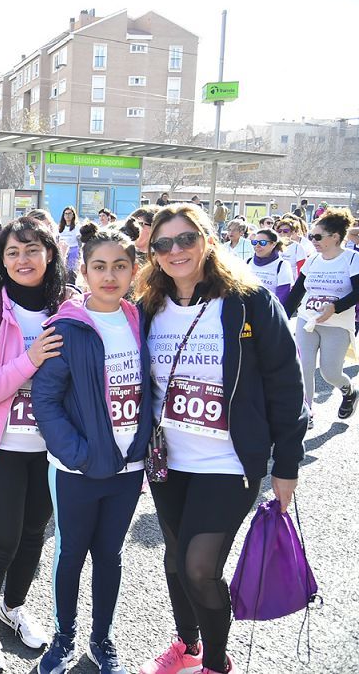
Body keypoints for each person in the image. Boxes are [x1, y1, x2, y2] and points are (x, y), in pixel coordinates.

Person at [136, 203, 305, 674]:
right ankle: (187, 646)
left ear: (208, 241)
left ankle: (215, 662)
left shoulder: (250, 300)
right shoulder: (148, 304)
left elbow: (286, 383)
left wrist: (287, 464)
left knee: (199, 567)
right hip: (169, 460)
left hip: (228, 462)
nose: (176, 251)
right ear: (153, 252)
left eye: (186, 239)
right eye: (163, 243)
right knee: (175, 560)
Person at [31, 223, 150, 674]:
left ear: (134, 270)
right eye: (99, 266)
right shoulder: (67, 326)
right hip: (77, 470)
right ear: (83, 271)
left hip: (128, 468)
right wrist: (76, 453)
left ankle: (102, 639)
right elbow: (45, 399)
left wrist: (139, 444)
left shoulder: (141, 320)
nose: (109, 276)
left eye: (120, 266)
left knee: (110, 556)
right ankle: (63, 638)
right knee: (71, 552)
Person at [0, 218, 73, 672]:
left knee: (33, 535)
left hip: (53, 449)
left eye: (31, 250)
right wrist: (30, 360)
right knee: (1, 536)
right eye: (11, 252)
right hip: (1, 446)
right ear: (0, 260)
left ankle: (14, 606)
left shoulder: (71, 306)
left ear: (50, 253)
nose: (22, 260)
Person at [284, 208, 359, 426]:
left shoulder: (352, 259)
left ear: (335, 237)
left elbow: (357, 292)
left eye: (318, 237)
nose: (313, 241)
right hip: (308, 320)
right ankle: (306, 412)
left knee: (329, 372)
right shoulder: (313, 260)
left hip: (336, 324)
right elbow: (296, 293)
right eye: (311, 237)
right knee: (303, 366)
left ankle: (349, 391)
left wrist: (335, 307)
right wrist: (278, 318)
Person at [246, 229, 292, 306]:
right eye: (255, 242)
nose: (257, 246)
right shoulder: (247, 261)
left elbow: (282, 295)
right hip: (247, 311)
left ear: (273, 244)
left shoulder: (282, 265)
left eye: (262, 243)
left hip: (268, 311)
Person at [274, 216, 313, 280]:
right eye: (279, 231)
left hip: (290, 281)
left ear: (292, 232)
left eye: (285, 231)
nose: (282, 233)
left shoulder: (297, 247)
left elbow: (301, 269)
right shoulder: (273, 245)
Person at [58, 206, 81, 282]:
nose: (67, 215)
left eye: (69, 213)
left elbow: (79, 239)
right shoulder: (60, 227)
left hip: (73, 250)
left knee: (71, 271)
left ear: (73, 215)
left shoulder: (77, 227)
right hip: (62, 251)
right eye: (66, 214)